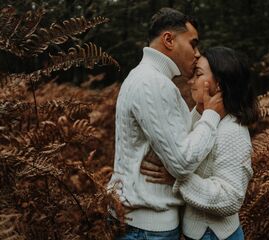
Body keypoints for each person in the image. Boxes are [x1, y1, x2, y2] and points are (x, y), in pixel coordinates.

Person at [107, 8, 225, 240]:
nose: (197, 54)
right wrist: (212, 115)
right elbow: (181, 162)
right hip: (148, 227)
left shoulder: (145, 77)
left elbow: (175, 145)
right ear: (169, 39)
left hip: (142, 224)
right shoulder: (153, 83)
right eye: (193, 44)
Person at [141, 46, 259, 240]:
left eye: (198, 74)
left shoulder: (232, 131)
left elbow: (231, 198)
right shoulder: (204, 119)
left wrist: (178, 178)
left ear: (219, 84)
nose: (191, 80)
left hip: (215, 235)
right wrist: (201, 109)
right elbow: (185, 147)